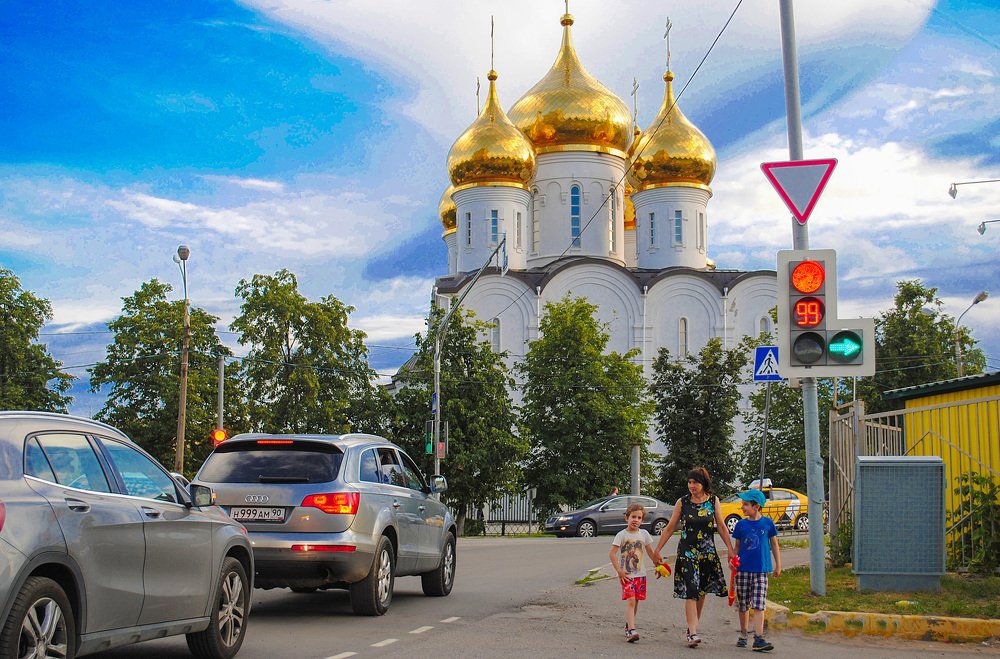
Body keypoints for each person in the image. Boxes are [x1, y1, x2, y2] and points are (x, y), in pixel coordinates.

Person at [653, 466, 735, 648]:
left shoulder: (713, 501)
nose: (691, 485)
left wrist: (730, 548)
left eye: (695, 482)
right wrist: (657, 549)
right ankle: (693, 632)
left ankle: (693, 627)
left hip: (707, 553)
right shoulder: (682, 502)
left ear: (703, 483)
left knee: (701, 591)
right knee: (691, 589)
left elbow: (721, 526)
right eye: (689, 482)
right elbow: (670, 527)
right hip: (687, 552)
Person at [731, 489, 782, 652]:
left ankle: (759, 638)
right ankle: (744, 634)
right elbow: (737, 546)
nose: (742, 507)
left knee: (759, 603)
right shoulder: (741, 524)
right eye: (743, 504)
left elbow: (774, 544)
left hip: (761, 570)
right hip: (743, 570)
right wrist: (733, 561)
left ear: (756, 506)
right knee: (743, 605)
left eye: (745, 504)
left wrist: (778, 565)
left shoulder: (767, 523)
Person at [609, 503, 658, 642]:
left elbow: (650, 552)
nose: (636, 520)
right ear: (627, 518)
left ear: (642, 520)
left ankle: (628, 626)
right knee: (630, 600)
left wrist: (658, 565)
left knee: (636, 602)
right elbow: (612, 554)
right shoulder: (621, 535)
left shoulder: (644, 534)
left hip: (641, 574)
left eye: (639, 518)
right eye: (633, 517)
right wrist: (619, 571)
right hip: (626, 575)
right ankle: (631, 630)